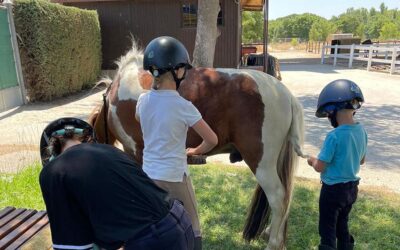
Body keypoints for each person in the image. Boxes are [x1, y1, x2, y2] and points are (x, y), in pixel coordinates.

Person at [39, 117, 195, 250]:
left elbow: (71, 245)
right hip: (179, 220)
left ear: (51, 153)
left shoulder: (54, 171)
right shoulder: (110, 151)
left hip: (153, 239)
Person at [136, 36, 218, 250]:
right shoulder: (183, 106)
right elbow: (212, 139)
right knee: (193, 225)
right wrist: (195, 150)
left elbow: (142, 117)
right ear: (177, 71)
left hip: (148, 175)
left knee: (156, 222)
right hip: (174, 176)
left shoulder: (142, 101)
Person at [306, 79, 368, 250]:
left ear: (333, 111)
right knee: (342, 223)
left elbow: (320, 166)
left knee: (327, 227)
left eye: (327, 114)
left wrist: (311, 160)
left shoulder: (334, 136)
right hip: (351, 189)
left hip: (332, 191)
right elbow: (362, 160)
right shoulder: (362, 131)